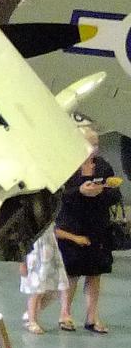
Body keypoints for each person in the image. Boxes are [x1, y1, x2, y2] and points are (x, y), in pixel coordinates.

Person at [56, 124, 122, 333]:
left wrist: (100, 193)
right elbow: (59, 196)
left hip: (97, 227)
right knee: (72, 274)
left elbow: (116, 195)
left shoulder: (103, 167)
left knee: (95, 274)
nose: (94, 148)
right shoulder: (67, 166)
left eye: (96, 144)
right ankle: (65, 314)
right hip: (72, 226)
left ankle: (92, 317)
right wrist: (80, 192)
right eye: (90, 143)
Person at [20, 223, 68, 334]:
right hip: (35, 255)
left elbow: (55, 231)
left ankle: (31, 314)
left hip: (50, 253)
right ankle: (32, 321)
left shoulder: (49, 215)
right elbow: (22, 239)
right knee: (36, 291)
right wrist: (22, 262)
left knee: (53, 290)